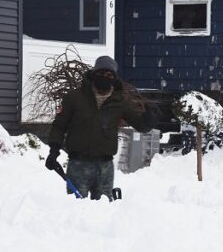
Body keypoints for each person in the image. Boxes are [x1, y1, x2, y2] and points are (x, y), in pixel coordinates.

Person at [45, 56, 152, 199]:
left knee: (103, 212)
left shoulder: (120, 102)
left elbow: (141, 126)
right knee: (76, 209)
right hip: (78, 165)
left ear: (114, 78)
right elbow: (59, 126)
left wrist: (149, 119)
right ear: (94, 74)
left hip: (105, 167)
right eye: (101, 73)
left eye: (109, 75)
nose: (104, 77)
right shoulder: (75, 97)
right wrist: (54, 150)